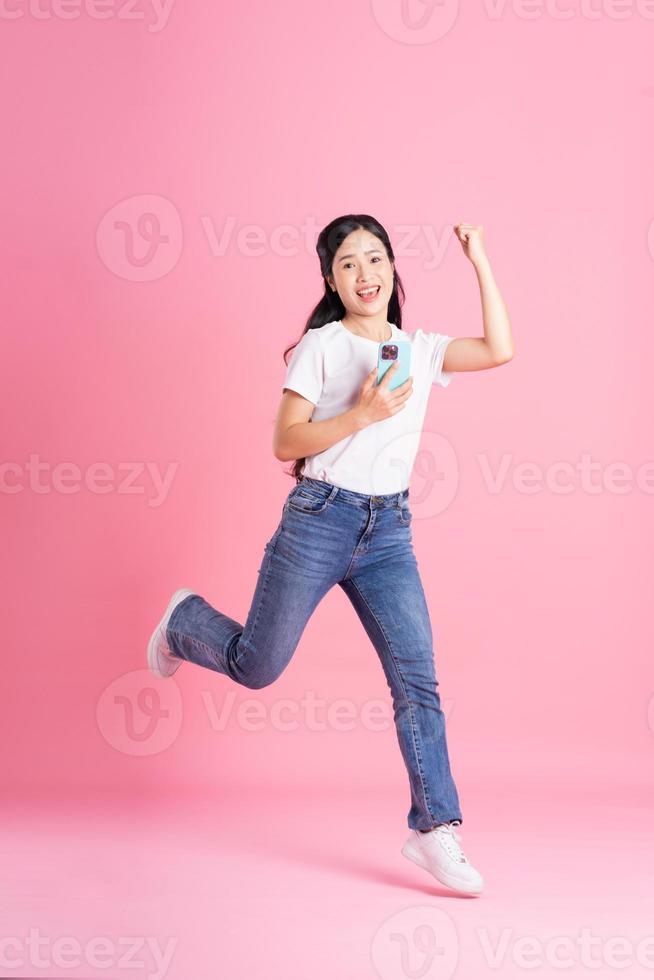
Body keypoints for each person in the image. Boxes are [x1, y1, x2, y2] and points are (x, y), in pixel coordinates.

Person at [146, 213, 514, 896]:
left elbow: (498, 349)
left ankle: (435, 829)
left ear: (393, 270)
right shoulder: (321, 345)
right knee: (257, 666)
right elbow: (286, 442)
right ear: (331, 280)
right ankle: (184, 622)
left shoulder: (417, 348)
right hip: (319, 521)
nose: (365, 274)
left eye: (375, 259)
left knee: (418, 681)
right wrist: (364, 415)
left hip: (390, 533)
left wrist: (480, 258)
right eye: (348, 264)